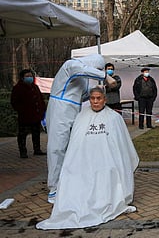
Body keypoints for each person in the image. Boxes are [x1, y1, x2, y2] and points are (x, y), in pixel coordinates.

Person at [36, 87, 139, 230]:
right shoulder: (81, 117)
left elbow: (122, 144)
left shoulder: (114, 118)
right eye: (92, 98)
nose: (95, 101)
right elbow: (75, 143)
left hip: (107, 161)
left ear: (105, 99)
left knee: (109, 173)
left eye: (99, 98)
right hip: (84, 161)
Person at [46, 54, 116, 204]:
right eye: (96, 68)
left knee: (72, 148)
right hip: (60, 110)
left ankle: (66, 182)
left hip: (72, 112)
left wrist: (98, 90)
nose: (94, 71)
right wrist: (105, 76)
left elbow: (83, 95)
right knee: (57, 149)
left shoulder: (82, 79)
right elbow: (81, 70)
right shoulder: (71, 65)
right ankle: (53, 188)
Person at [10, 69, 47, 158]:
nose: (29, 78)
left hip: (36, 115)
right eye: (27, 76)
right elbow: (14, 102)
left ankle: (37, 149)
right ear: (22, 78)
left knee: (36, 133)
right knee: (22, 134)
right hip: (25, 116)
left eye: (30, 76)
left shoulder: (35, 87)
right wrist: (21, 110)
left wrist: (42, 110)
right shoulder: (18, 88)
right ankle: (23, 151)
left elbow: (40, 100)